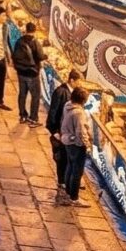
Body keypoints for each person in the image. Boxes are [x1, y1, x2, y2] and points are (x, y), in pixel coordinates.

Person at [46, 70, 82, 204]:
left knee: (66, 159)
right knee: (61, 159)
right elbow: (53, 111)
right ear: (72, 80)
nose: (80, 84)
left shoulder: (69, 93)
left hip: (64, 133)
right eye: (78, 81)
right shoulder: (61, 92)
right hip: (59, 134)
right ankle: (62, 183)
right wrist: (54, 130)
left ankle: (66, 182)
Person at [57, 87, 92, 207]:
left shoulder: (68, 105)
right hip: (76, 144)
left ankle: (68, 191)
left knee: (70, 166)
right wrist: (87, 145)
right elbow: (80, 131)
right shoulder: (79, 113)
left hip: (67, 140)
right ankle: (74, 197)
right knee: (77, 171)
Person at [11, 22, 47, 125]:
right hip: (32, 74)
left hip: (21, 73)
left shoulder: (19, 41)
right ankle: (33, 118)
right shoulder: (35, 42)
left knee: (22, 94)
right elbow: (40, 56)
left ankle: (22, 115)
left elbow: (14, 55)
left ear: (26, 30)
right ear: (34, 31)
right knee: (35, 96)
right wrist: (46, 56)